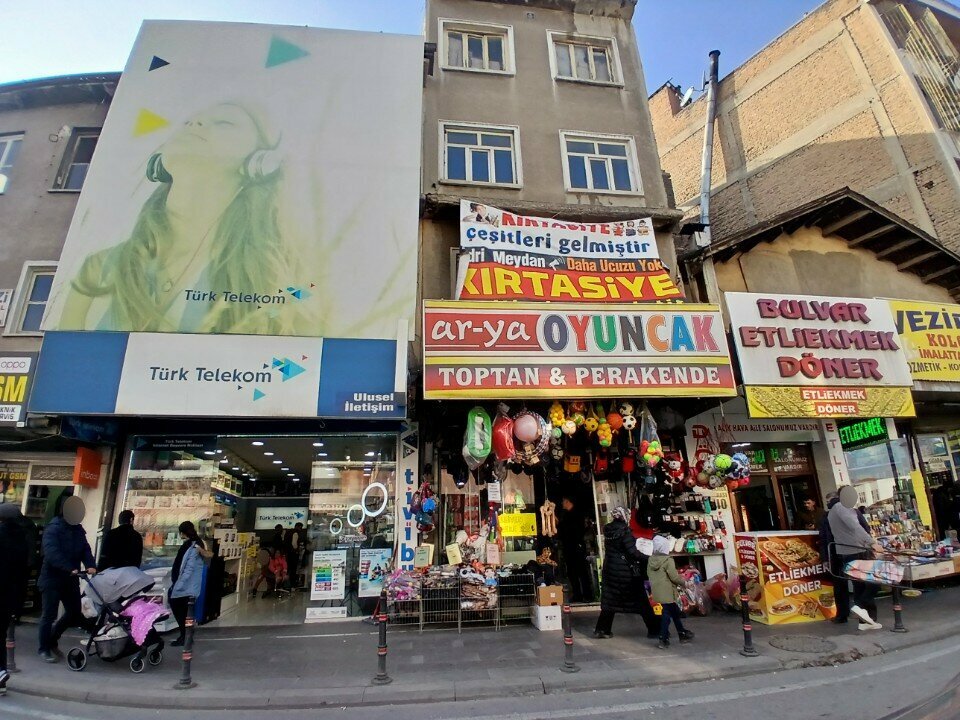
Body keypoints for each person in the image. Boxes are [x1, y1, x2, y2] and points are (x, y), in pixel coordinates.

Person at [57, 103, 310, 336]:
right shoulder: (98, 268)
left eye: (224, 123)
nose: (194, 124)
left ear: (261, 161)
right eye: (188, 121)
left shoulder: (281, 278)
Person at [38, 496, 96, 663]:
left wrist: (90, 564)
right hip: (52, 578)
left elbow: (85, 549)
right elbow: (51, 553)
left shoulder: (78, 529)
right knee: (48, 615)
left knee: (73, 611)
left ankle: (53, 639)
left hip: (71, 578)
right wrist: (68, 567)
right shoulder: (53, 528)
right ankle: (44, 648)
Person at [593, 507, 658, 639]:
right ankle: (655, 629)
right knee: (642, 601)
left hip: (610, 569)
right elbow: (632, 552)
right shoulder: (625, 531)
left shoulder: (608, 530)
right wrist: (649, 558)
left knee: (610, 601)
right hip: (625, 572)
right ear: (625, 516)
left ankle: (602, 629)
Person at [828, 486, 884, 631]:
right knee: (874, 581)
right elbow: (855, 527)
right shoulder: (842, 507)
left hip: (846, 551)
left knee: (859, 585)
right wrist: (872, 543)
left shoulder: (833, 511)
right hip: (857, 550)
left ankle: (866, 621)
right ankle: (861, 607)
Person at [0, 504, 28, 694]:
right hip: (10, 596)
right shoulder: (22, 540)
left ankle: (1, 672)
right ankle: (1, 677)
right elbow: (22, 572)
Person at [648, 535, 694, 649]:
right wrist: (685, 583)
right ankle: (663, 638)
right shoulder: (668, 560)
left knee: (674, 611)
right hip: (667, 590)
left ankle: (682, 633)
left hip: (657, 589)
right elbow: (674, 577)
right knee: (667, 614)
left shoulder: (651, 560)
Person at [168, 521, 207, 647]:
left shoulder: (193, 545)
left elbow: (188, 568)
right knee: (186, 612)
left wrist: (179, 584)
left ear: (183, 532)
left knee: (181, 610)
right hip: (186, 585)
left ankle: (185, 636)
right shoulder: (195, 543)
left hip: (185, 586)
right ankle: (186, 636)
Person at [557, 496, 590, 603]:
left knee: (579, 572)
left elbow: (567, 531)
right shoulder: (569, 515)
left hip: (575, 547)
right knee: (575, 572)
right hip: (572, 547)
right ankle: (581, 595)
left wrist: (559, 525)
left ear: (567, 501)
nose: (562, 504)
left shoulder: (574, 515)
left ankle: (584, 595)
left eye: (563, 501)